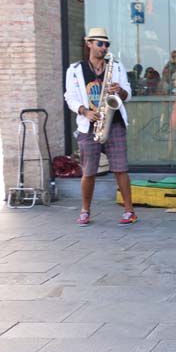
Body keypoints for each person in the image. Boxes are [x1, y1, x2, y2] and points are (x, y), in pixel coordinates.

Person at [64, 27, 136, 226]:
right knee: (88, 171)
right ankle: (85, 211)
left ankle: (129, 211)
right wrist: (84, 111)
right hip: (89, 125)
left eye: (107, 44)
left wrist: (120, 91)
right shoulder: (75, 70)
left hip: (115, 123)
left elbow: (128, 94)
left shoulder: (116, 67)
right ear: (89, 44)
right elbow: (70, 97)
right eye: (100, 43)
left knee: (120, 169)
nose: (104, 48)